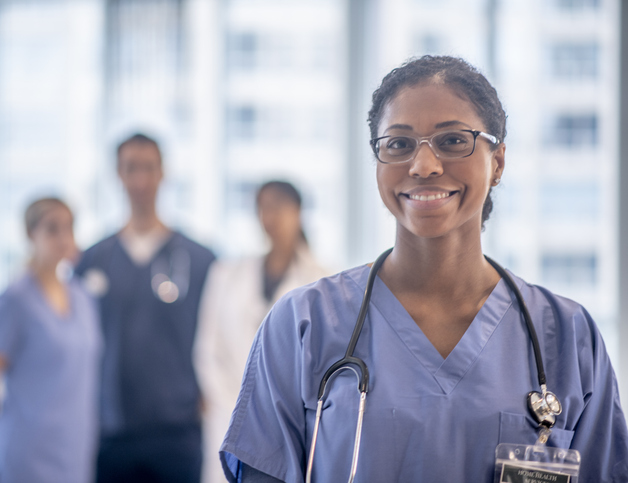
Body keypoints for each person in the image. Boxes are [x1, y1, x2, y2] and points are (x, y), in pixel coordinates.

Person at [219, 56, 628, 482]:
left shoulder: (566, 335)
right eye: (398, 144)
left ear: (499, 162)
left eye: (453, 140)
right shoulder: (302, 324)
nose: (424, 165)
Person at [75, 133, 216, 483]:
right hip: (110, 432)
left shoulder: (201, 260)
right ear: (118, 175)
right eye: (131, 168)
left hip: (178, 433)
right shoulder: (93, 260)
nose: (140, 179)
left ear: (163, 173)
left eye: (148, 168)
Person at [195, 180, 330, 483]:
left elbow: (320, 365)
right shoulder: (226, 274)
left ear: (299, 212)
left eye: (280, 206)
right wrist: (235, 406)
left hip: (290, 422)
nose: (271, 216)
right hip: (227, 413)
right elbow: (207, 351)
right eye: (264, 207)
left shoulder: (323, 281)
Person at [0, 197, 102, 483]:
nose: (63, 238)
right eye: (52, 229)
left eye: (69, 228)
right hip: (23, 456)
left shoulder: (82, 298)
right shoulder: (14, 302)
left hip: (73, 454)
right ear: (31, 234)